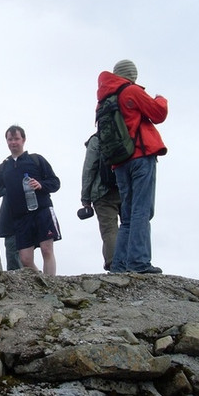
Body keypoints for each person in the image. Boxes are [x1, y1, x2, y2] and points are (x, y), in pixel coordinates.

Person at [98, 59, 168, 274]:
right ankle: (139, 262)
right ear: (131, 75)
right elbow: (158, 114)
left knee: (127, 214)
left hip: (119, 162)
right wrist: (161, 98)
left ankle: (119, 265)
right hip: (140, 156)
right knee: (141, 210)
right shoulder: (131, 91)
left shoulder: (104, 98)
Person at [0, 125, 61, 276]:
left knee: (47, 250)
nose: (13, 142)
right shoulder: (5, 166)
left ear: (23, 140)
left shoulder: (36, 159)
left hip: (42, 210)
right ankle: (42, 281)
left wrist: (41, 185)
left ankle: (52, 285)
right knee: (25, 259)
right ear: (6, 141)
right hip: (20, 217)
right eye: (10, 139)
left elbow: (55, 182)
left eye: (16, 139)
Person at [80, 134, 121, 271]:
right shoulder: (125, 134)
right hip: (124, 188)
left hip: (102, 191)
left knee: (109, 229)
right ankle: (132, 261)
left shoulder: (96, 139)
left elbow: (89, 167)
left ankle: (114, 264)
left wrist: (85, 198)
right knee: (129, 225)